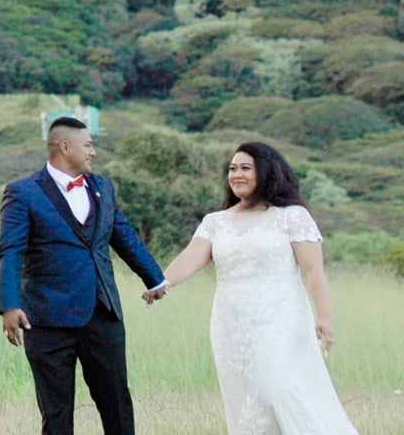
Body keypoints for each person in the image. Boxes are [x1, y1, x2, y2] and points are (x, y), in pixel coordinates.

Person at [143, 141, 359, 435]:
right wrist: (162, 283)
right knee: (246, 400)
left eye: (246, 168)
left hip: (281, 319)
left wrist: (324, 316)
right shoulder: (216, 222)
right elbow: (193, 256)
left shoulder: (291, 216)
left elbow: (313, 269)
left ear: (267, 172)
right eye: (232, 169)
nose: (236, 175)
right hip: (231, 324)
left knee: (278, 390)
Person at [0, 116, 166, 435]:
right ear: (65, 146)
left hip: (103, 314)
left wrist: (155, 279)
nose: (94, 152)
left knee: (117, 404)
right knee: (56, 412)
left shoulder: (103, 186)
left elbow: (123, 233)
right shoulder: (22, 192)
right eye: (88, 145)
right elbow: (10, 251)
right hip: (46, 318)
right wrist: (9, 305)